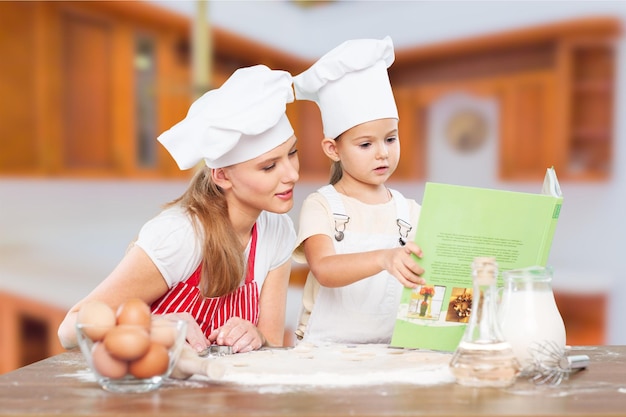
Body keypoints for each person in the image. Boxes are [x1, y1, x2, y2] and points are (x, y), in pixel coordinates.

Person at [57, 65, 299, 355]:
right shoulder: (180, 235)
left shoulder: (278, 229)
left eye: (293, 153)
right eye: (269, 166)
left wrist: (256, 335)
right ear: (222, 176)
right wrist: (150, 325)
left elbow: (272, 345)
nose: (292, 175)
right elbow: (70, 329)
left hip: (224, 396)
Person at [291, 36, 425, 344]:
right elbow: (324, 268)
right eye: (366, 144)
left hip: (391, 352)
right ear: (333, 149)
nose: (382, 153)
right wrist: (384, 258)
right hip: (323, 353)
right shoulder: (321, 205)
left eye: (390, 139)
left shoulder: (410, 212)